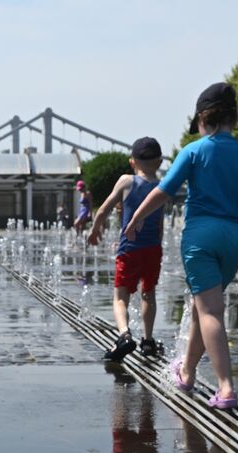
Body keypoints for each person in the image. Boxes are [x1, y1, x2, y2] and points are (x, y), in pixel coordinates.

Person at [125, 82, 238, 409]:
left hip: (201, 236)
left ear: (204, 119)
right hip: (232, 238)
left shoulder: (194, 151)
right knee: (201, 307)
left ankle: (226, 388)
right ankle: (186, 372)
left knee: (211, 310)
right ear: (234, 117)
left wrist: (136, 218)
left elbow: (163, 191)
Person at [87, 137, 169, 362]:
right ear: (160, 162)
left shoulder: (126, 181)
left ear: (132, 162)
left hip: (129, 248)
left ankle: (124, 335)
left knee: (120, 296)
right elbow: (160, 223)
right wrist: (158, 246)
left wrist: (95, 230)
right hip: (153, 249)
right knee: (148, 293)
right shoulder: (163, 186)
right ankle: (148, 341)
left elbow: (104, 209)